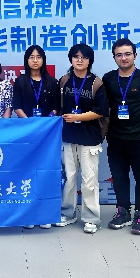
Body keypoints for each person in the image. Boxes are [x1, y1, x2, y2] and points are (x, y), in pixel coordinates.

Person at [102, 38, 140, 235]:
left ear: (135, 55)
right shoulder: (108, 79)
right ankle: (123, 212)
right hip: (115, 138)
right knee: (119, 177)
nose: (123, 58)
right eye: (119, 55)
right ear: (114, 57)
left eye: (127, 54)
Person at [55, 44, 109, 234]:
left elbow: (101, 111)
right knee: (69, 179)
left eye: (84, 57)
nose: (80, 60)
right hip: (68, 137)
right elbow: (58, 107)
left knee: (89, 180)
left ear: (89, 61)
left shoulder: (96, 83)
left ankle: (91, 218)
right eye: (76, 56)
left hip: (89, 138)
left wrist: (78, 117)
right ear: (70, 59)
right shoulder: (64, 81)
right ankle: (67, 213)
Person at [13, 45, 61, 229]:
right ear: (27, 60)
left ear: (43, 60)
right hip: (27, 133)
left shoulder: (52, 82)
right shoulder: (20, 81)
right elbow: (17, 106)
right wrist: (31, 124)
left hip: (47, 136)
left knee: (45, 172)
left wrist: (46, 122)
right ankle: (29, 214)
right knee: (28, 172)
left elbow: (57, 107)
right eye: (31, 57)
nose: (35, 60)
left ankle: (45, 214)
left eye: (38, 57)